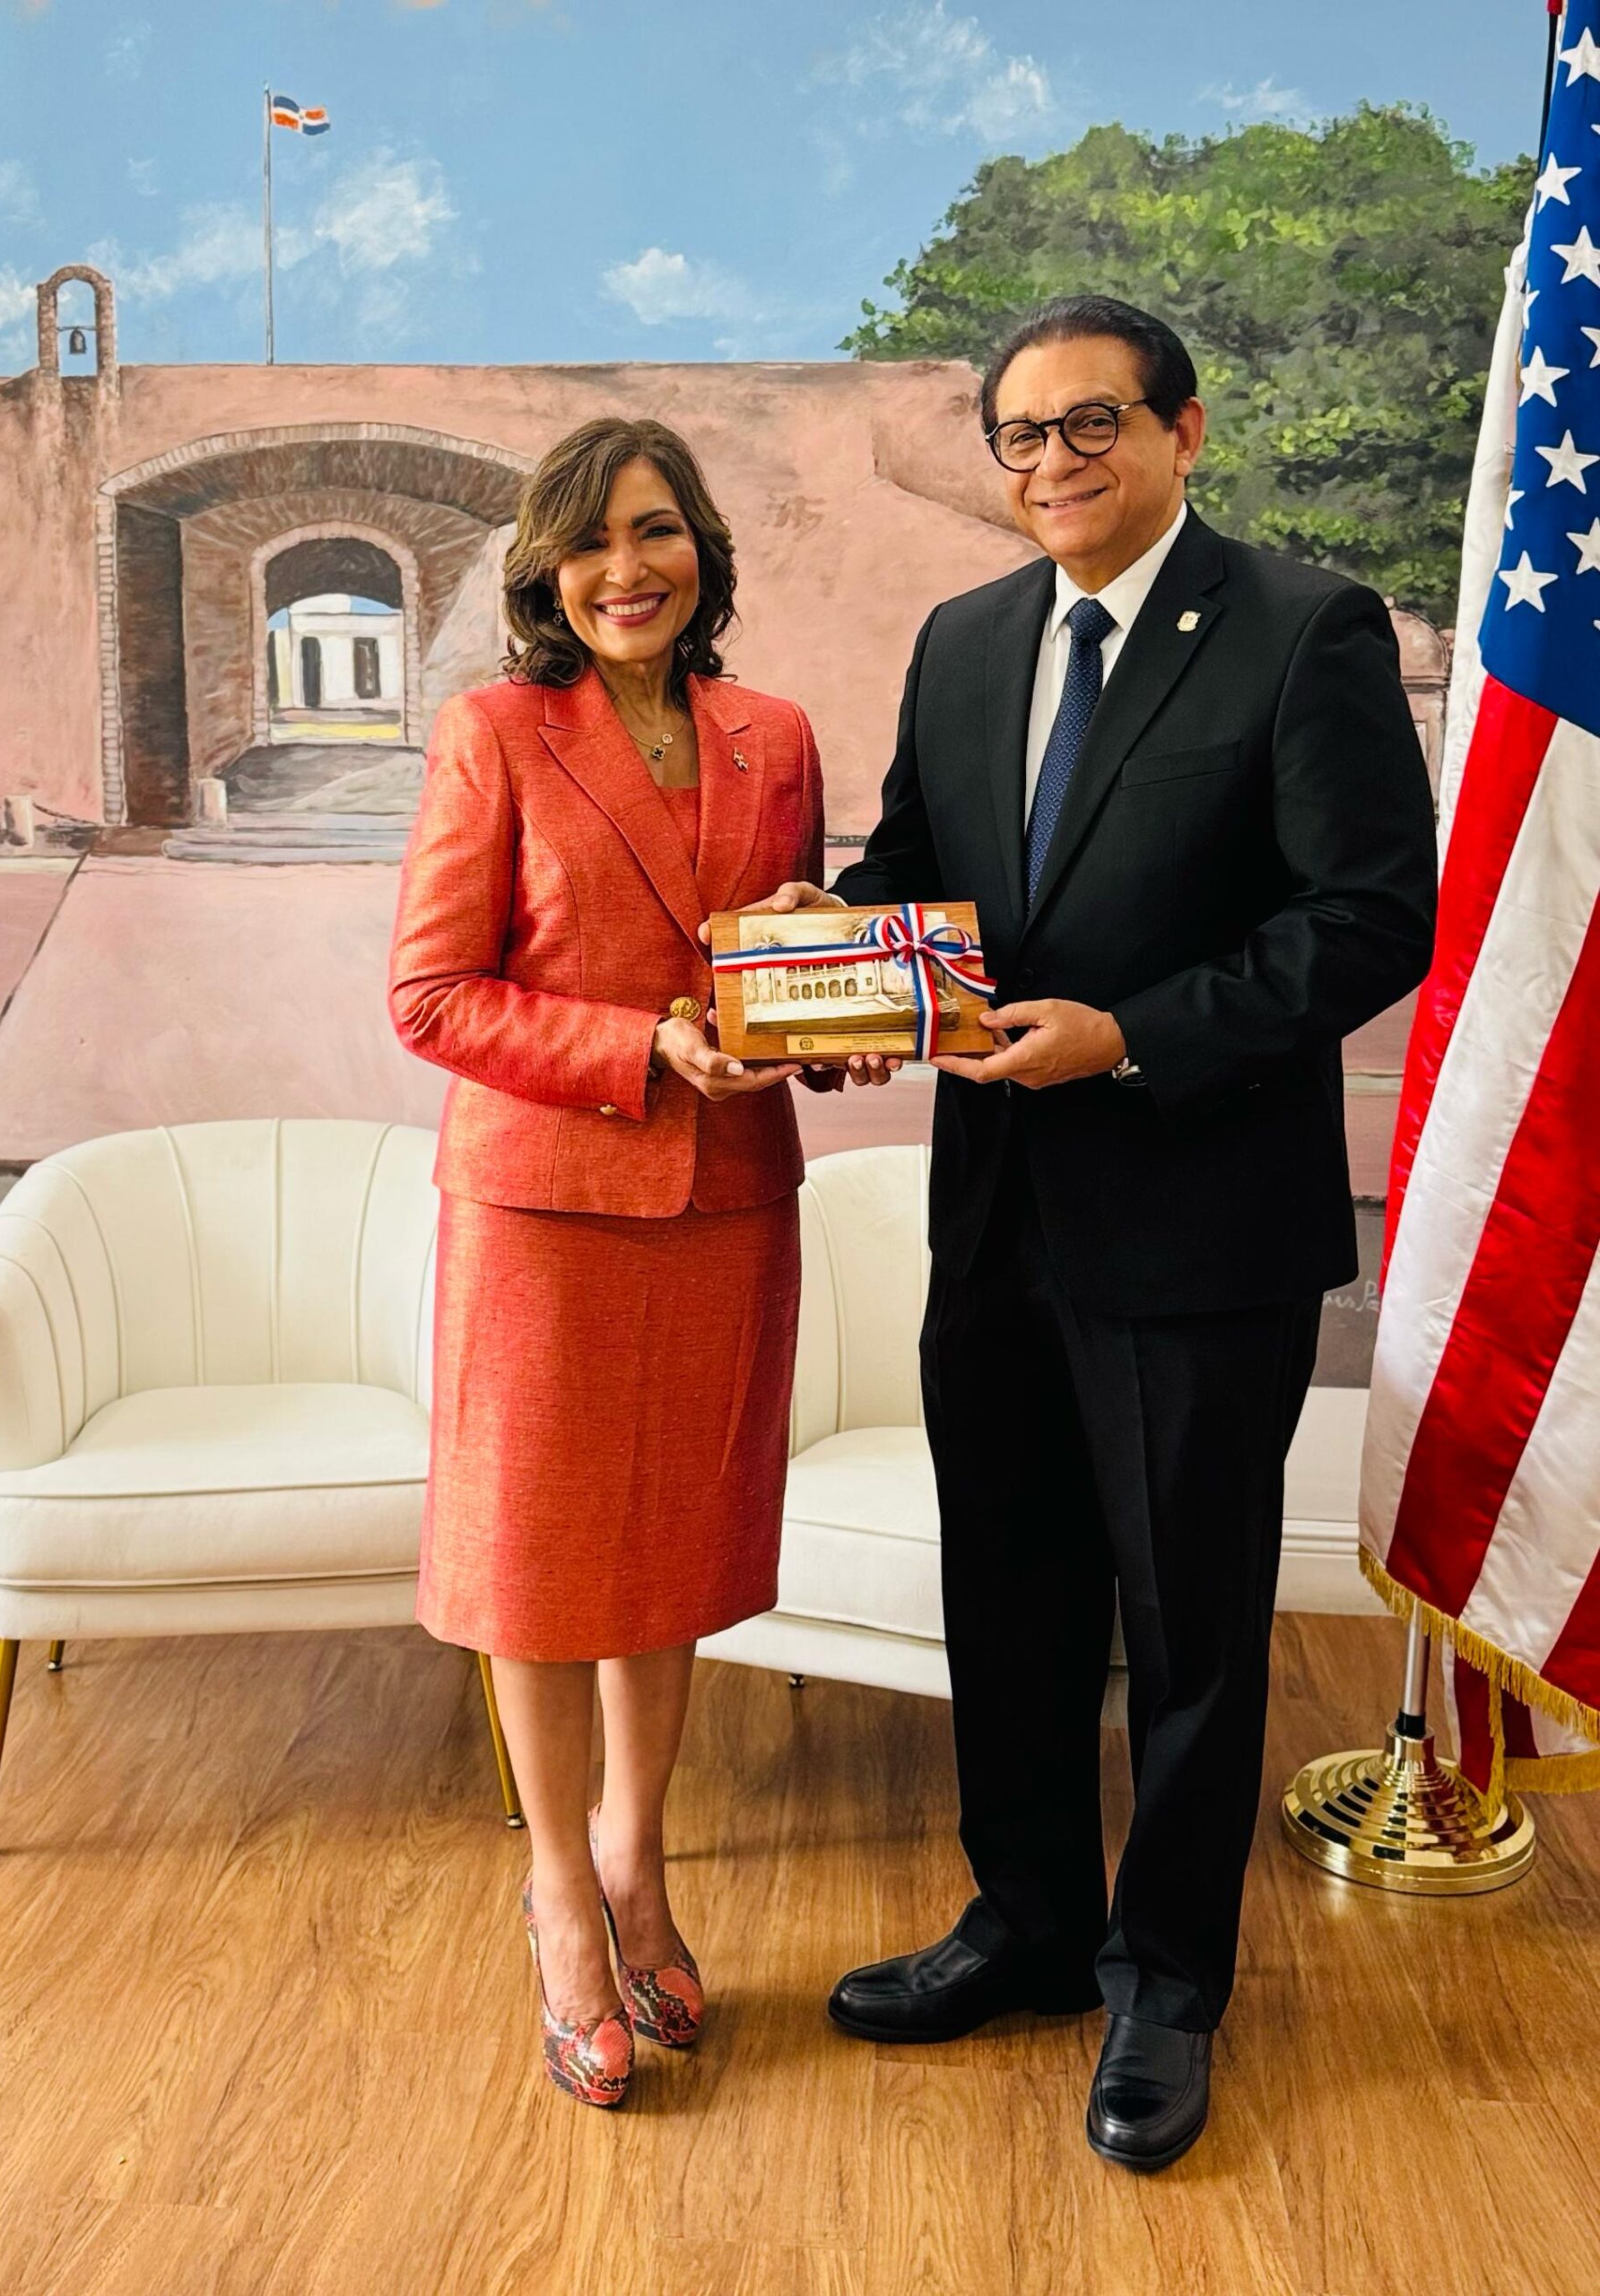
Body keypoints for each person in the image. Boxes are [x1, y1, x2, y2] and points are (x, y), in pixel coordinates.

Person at [769, 296, 1437, 2169]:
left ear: (1182, 431)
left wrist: (1131, 1036)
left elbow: (1370, 918)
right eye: (1019, 433)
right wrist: (828, 962)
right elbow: (918, 873)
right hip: (993, 1208)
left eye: (1091, 424)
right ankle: (1031, 1924)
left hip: (1197, 1225)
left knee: (1189, 1627)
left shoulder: (1300, 628)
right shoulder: (966, 638)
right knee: (1012, 1592)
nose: (1050, 461)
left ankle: (1168, 1983)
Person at [388, 417, 830, 2110]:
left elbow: (776, 960)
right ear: (544, 574)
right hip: (546, 1215)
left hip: (729, 1201)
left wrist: (829, 1016)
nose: (625, 569)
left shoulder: (774, 735)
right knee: (540, 1560)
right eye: (587, 542)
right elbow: (430, 997)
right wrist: (641, 1046)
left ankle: (642, 1861)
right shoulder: (493, 733)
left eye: (654, 532)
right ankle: (560, 1891)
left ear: (701, 547)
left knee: (676, 1546)